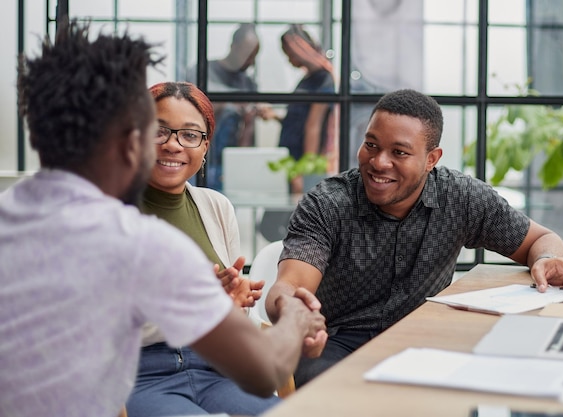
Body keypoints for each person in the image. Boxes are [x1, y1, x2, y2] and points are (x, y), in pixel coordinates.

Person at [0, 19, 325, 417]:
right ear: (131, 138)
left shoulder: (11, 212)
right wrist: (293, 313)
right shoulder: (141, 243)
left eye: (189, 134)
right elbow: (265, 370)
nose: (170, 143)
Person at [264, 88, 563, 387]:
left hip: (425, 339)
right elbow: (290, 285)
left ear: (431, 159)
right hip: (337, 341)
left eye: (399, 152)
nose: (379, 162)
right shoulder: (327, 203)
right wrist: (292, 312)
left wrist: (548, 259)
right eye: (371, 145)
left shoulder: (461, 197)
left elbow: (541, 240)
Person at [125, 81, 279, 417]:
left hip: (217, 370)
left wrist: (231, 305)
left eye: (190, 135)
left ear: (205, 146)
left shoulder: (216, 207)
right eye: (159, 131)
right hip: (138, 376)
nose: (173, 145)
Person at [258, 24, 336, 193]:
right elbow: (299, 118)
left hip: (302, 160)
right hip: (291, 157)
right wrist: (275, 116)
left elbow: (313, 126)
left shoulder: (323, 80)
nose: (289, 59)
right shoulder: (308, 79)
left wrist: (304, 170)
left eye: (289, 54)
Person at [188, 23, 260, 191]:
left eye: (254, 55)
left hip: (229, 166)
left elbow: (247, 134)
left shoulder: (248, 83)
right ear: (234, 46)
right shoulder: (202, 71)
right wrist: (231, 103)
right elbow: (190, 110)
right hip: (198, 160)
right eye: (248, 54)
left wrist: (250, 119)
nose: (251, 61)